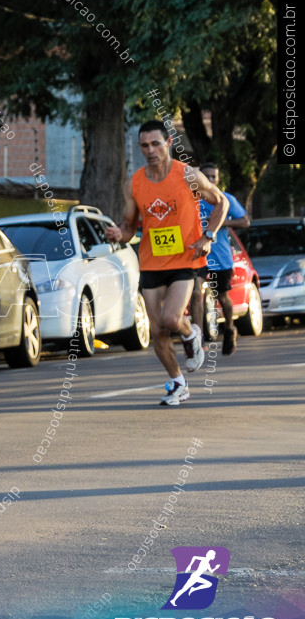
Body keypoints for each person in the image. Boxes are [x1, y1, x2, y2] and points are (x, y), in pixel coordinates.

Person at [105, 120, 228, 406]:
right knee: (157, 329)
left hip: (185, 258)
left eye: (156, 144)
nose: (150, 150)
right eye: (144, 146)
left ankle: (192, 334)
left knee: (172, 319)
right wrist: (117, 234)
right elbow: (128, 228)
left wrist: (208, 236)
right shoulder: (134, 183)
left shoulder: (188, 175)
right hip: (150, 263)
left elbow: (220, 202)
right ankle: (178, 383)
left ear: (168, 143)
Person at [188, 163, 250, 355]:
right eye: (207, 176)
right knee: (196, 293)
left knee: (222, 296)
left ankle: (230, 328)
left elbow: (245, 221)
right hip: (197, 255)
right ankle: (199, 337)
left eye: (214, 177)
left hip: (220, 257)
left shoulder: (225, 199)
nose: (211, 180)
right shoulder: (191, 199)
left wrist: (221, 222)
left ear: (218, 179)